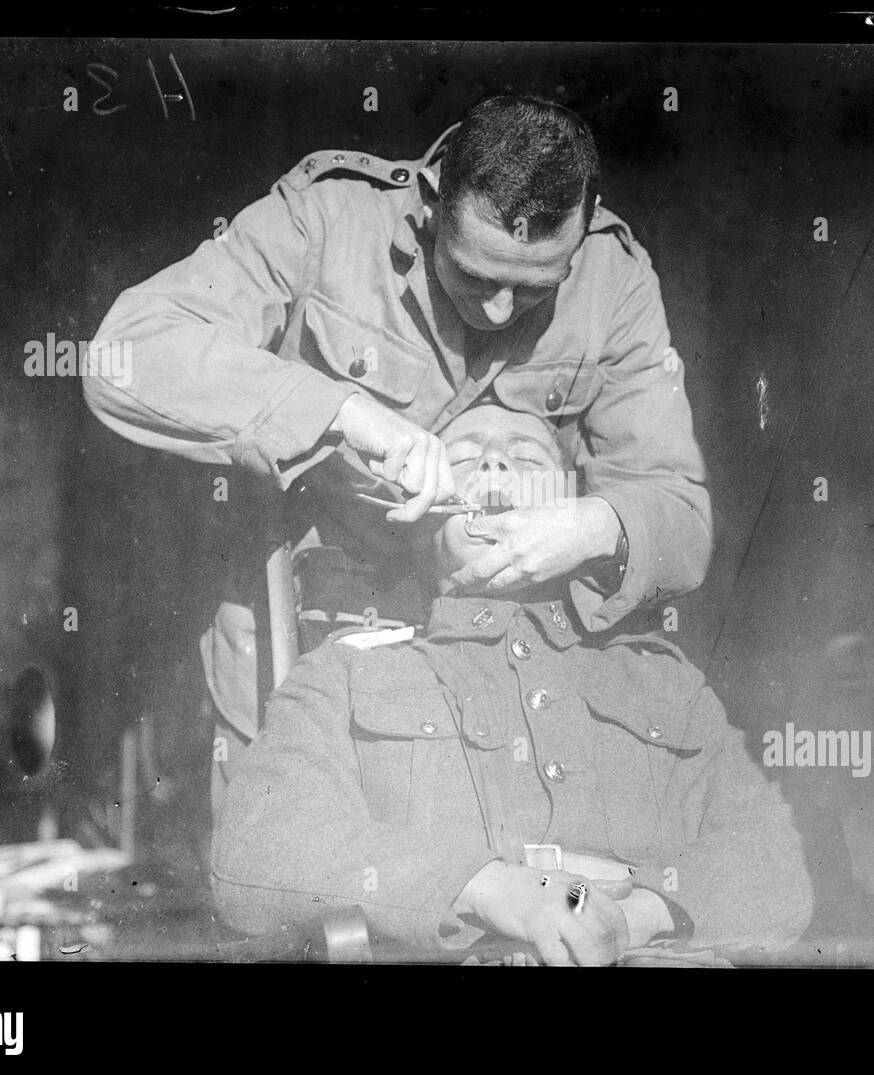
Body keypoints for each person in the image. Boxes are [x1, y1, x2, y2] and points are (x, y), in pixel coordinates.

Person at [83, 96, 714, 815]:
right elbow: (126, 355)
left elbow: (680, 516)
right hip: (302, 628)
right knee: (285, 874)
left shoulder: (617, 279)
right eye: (476, 277)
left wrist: (600, 526)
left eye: (536, 287)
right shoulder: (327, 221)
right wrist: (342, 414)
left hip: (501, 662)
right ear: (432, 207)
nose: (502, 310)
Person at [211, 404, 812, 966]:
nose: (496, 466)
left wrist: (633, 919)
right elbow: (258, 852)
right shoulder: (344, 676)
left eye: (528, 461)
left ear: (576, 509)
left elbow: (774, 866)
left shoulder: (668, 682)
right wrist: (487, 891)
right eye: (464, 459)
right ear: (423, 514)